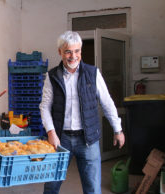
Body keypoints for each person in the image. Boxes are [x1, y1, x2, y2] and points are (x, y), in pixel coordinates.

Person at [39, 31, 125, 194]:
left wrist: (117, 129)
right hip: (60, 138)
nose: (73, 56)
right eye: (68, 51)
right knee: (51, 186)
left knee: (92, 188)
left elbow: (107, 102)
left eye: (77, 51)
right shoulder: (52, 76)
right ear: (60, 52)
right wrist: (51, 132)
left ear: (81, 51)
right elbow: (44, 106)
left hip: (88, 139)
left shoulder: (92, 73)